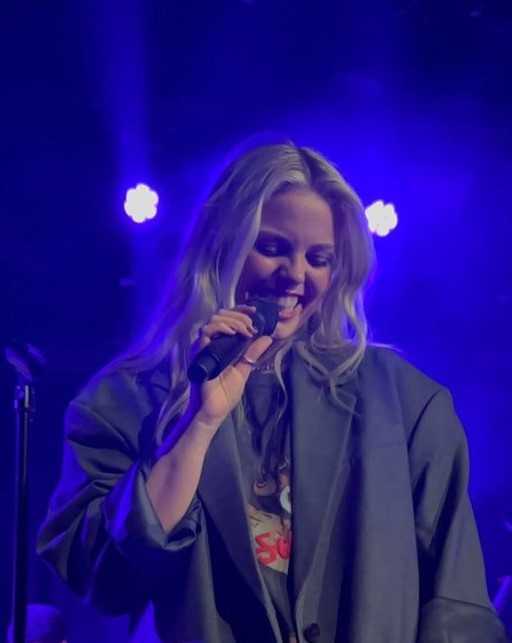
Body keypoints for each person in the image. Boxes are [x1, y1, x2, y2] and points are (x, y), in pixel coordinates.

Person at [37, 142, 508, 642]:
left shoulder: (404, 403)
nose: (296, 276)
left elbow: (456, 603)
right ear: (222, 245)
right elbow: (105, 581)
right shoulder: (127, 401)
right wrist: (197, 425)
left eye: (319, 258)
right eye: (273, 248)